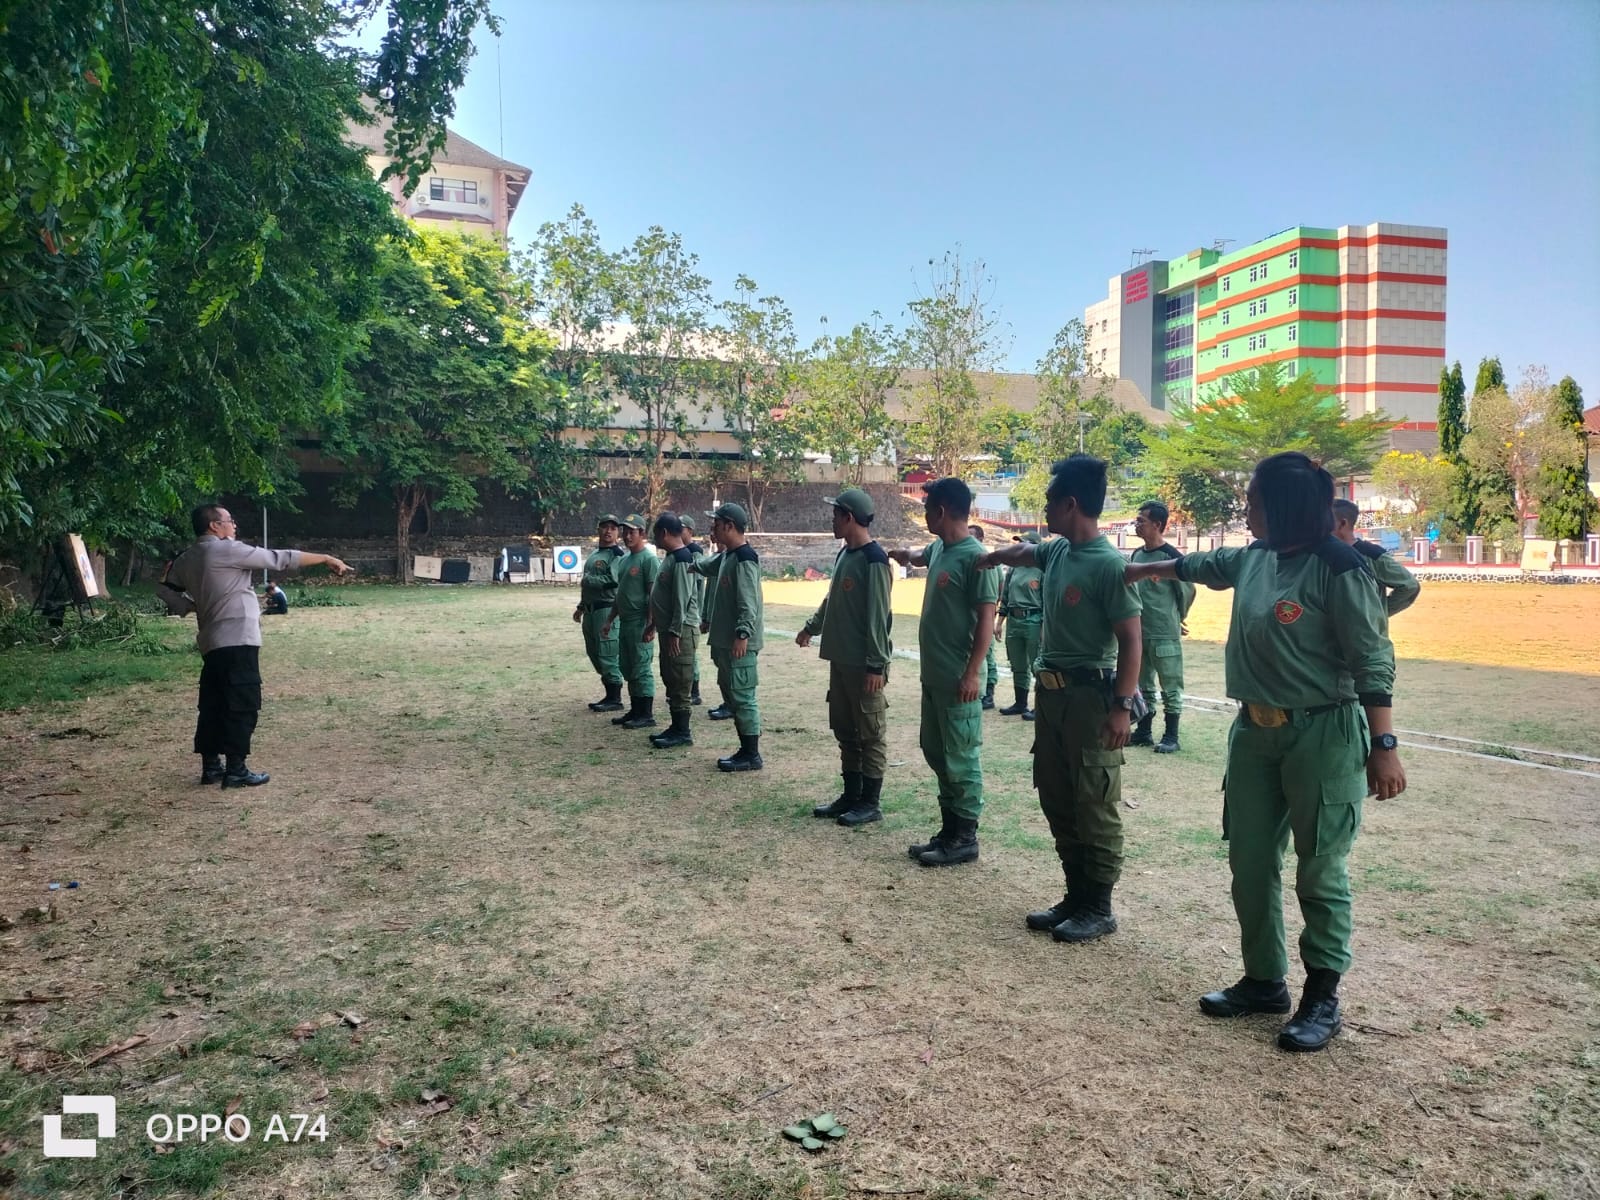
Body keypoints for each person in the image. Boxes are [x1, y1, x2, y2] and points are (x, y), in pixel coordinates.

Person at [1125, 452, 1406, 1053]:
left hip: (1324, 732)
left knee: (1319, 868)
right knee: (1250, 862)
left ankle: (1322, 996)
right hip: (1253, 733)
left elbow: (1372, 660)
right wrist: (1140, 572)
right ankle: (1263, 981)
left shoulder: (1341, 568)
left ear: (1280, 506)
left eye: (1252, 500)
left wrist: (1383, 745)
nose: (1244, 509)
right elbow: (1197, 563)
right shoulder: (1251, 558)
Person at [980, 456, 1142, 940]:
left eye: (1049, 502)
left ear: (1071, 504)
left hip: (1091, 698)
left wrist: (1120, 707)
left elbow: (1132, 640)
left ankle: (1099, 905)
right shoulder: (1057, 553)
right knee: (1057, 795)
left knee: (1094, 800)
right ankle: (1075, 894)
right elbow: (1024, 553)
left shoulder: (1107, 564)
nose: (1044, 510)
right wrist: (991, 557)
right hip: (1051, 699)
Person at [161, 504, 351, 787]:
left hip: (211, 640)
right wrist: (325, 558)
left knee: (213, 703)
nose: (234, 526)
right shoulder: (226, 550)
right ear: (214, 525)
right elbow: (279, 558)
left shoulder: (187, 557)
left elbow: (164, 587)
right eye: (230, 520)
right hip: (238, 636)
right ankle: (236, 769)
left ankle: (211, 766)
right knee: (242, 703)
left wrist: (188, 606)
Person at [889, 479, 999, 867]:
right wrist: (901, 553)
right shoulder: (940, 548)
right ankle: (949, 830)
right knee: (937, 752)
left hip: (959, 678)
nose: (924, 515)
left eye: (928, 508)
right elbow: (920, 555)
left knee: (961, 757)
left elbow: (987, 619)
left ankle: (965, 838)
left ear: (942, 511)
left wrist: (973, 673)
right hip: (935, 675)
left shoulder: (977, 558)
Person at [798, 488, 894, 826]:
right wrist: (811, 627)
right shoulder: (845, 556)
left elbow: (879, 617)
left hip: (863, 665)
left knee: (870, 732)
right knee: (846, 730)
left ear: (849, 517)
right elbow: (831, 600)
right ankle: (851, 795)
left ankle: (870, 802)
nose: (832, 520)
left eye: (836, 514)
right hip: (840, 661)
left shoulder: (874, 560)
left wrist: (876, 665)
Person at [695, 502, 764, 771]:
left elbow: (748, 602)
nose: (712, 528)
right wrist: (687, 560)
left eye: (716, 523)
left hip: (739, 643)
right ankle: (745, 749)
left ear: (729, 526)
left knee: (743, 696)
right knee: (733, 693)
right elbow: (705, 565)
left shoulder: (745, 558)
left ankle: (751, 754)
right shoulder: (728, 556)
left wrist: (743, 633)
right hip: (726, 641)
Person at [1129, 501, 1196, 754]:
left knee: (1170, 685)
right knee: (1143, 683)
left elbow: (1187, 591)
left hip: (1164, 630)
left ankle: (1171, 735)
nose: (1137, 525)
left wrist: (1177, 616)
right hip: (1139, 630)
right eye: (1136, 521)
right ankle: (1144, 731)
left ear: (1157, 525)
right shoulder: (1137, 555)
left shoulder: (1172, 557)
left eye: (1141, 521)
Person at [644, 513, 701, 749]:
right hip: (669, 629)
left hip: (681, 630)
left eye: (655, 534)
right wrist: (655, 625)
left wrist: (676, 631)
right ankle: (676, 726)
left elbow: (682, 599)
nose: (654, 539)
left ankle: (682, 731)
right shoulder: (671, 558)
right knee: (670, 677)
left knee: (680, 680)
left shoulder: (681, 559)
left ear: (664, 533)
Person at [601, 515, 660, 729]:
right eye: (625, 531)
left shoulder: (649, 559)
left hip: (640, 621)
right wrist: (609, 619)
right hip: (625, 621)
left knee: (641, 666)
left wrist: (651, 624)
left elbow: (653, 593)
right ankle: (635, 709)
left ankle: (646, 713)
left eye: (632, 532)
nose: (627, 536)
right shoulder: (625, 560)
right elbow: (621, 594)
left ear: (642, 534)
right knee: (627, 665)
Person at [1332, 499, 1421, 618]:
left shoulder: (1372, 555)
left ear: (1342, 524)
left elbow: (1410, 586)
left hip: (1364, 635)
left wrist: (1376, 614)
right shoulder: (1321, 555)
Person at [574, 515, 626, 713]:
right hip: (591, 610)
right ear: (598, 530)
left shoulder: (616, 555)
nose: (608, 531)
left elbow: (614, 580)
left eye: (613, 528)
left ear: (617, 532)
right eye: (605, 527)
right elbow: (587, 587)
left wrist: (590, 580)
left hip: (606, 609)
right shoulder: (596, 554)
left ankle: (615, 697)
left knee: (607, 652)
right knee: (594, 651)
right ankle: (609, 692)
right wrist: (581, 606)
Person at [995, 531, 1044, 721]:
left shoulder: (1042, 569)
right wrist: (999, 622)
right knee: (1017, 664)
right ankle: (1020, 703)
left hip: (1034, 619)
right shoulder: (1014, 569)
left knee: (1037, 664)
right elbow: (1005, 596)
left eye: (1022, 544)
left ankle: (1040, 706)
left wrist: (1043, 628)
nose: (1018, 548)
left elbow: (1047, 600)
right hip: (1014, 621)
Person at [968, 523, 1000, 710]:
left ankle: (988, 693)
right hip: (974, 619)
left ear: (981, 539)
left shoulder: (989, 563)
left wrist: (993, 615)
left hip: (985, 617)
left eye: (972, 535)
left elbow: (1000, 590)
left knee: (987, 657)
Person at [680, 515, 707, 706]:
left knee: (690, 653)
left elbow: (696, 584)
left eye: (681, 528)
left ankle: (694, 690)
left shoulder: (694, 553)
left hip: (692, 609)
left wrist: (698, 613)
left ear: (690, 531)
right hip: (683, 609)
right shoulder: (679, 551)